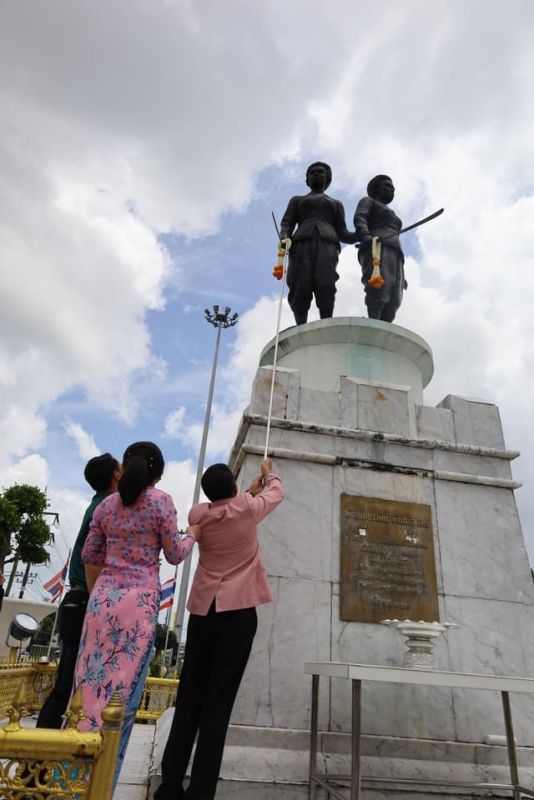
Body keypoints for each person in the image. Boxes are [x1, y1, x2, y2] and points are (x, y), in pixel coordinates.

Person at [71, 441, 200, 786]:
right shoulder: (161, 503)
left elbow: (90, 554)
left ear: (124, 467)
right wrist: (194, 535)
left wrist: (103, 589)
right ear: (158, 472)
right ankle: (102, 786)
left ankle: (70, 781)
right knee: (121, 701)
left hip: (103, 601)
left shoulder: (107, 506)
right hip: (139, 603)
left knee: (86, 695)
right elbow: (175, 554)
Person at [155, 457, 284, 800]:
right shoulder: (247, 509)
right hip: (238, 614)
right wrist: (268, 474)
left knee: (189, 700)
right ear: (232, 488)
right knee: (218, 705)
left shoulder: (199, 514)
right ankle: (200, 792)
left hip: (203, 612)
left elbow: (222, 508)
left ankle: (169, 786)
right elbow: (276, 492)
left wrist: (244, 492)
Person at [36, 453, 122, 729]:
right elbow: (91, 558)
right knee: (69, 681)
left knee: (70, 678)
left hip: (78, 596)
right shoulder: (108, 506)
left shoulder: (98, 504)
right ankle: (40, 752)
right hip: (86, 596)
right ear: (116, 475)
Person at [280, 162, 357, 325]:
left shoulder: (336, 203)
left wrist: (360, 236)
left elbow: (342, 231)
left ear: (327, 178)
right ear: (307, 179)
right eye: (312, 172)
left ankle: (325, 324)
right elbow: (287, 223)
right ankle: (300, 325)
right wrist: (284, 236)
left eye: (320, 172)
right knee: (301, 282)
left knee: (326, 282)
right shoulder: (297, 200)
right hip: (302, 243)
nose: (316, 174)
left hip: (328, 243)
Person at [354, 174, 406, 322]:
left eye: (393, 188)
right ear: (376, 188)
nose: (391, 189)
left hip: (396, 253)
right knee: (379, 288)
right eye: (387, 186)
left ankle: (384, 330)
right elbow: (360, 218)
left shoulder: (393, 213)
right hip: (377, 247)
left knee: (395, 296)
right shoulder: (368, 201)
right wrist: (365, 235)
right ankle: (374, 323)